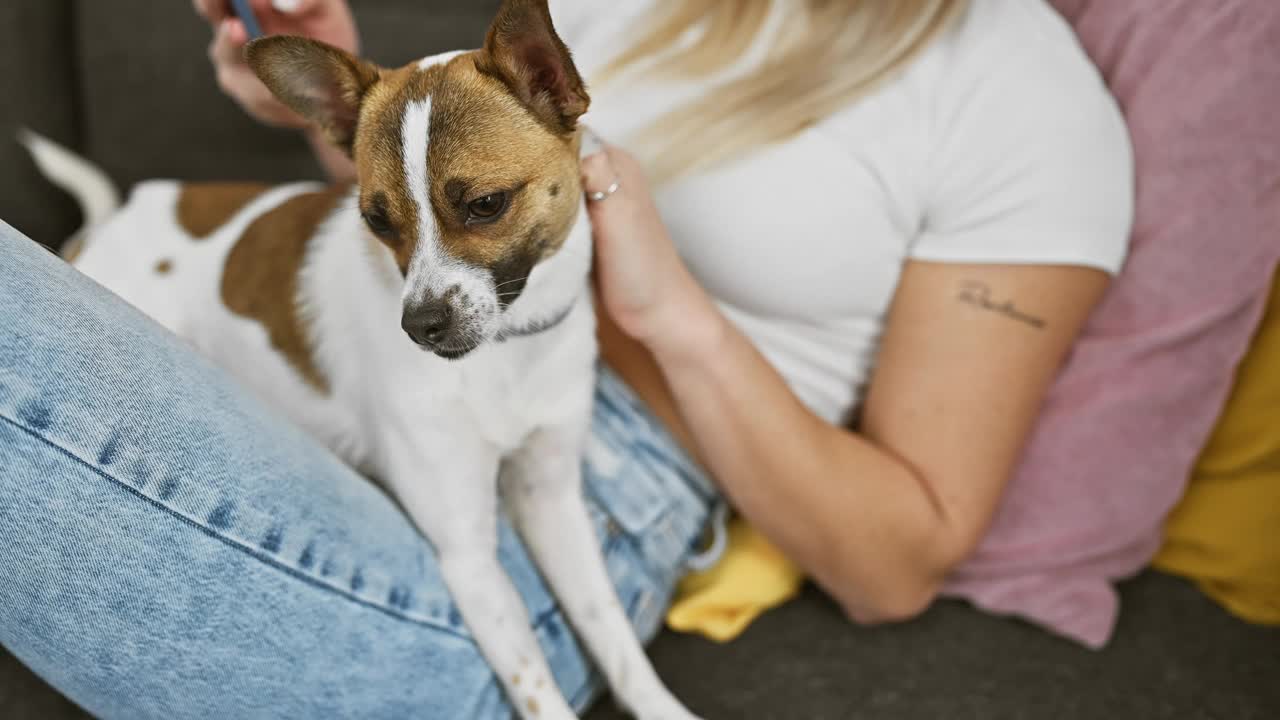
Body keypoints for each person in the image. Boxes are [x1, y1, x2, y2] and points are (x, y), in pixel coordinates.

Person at [0, 0, 1135, 715]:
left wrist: (664, 310)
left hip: (588, 511)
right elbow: (443, 205)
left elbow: (896, 565)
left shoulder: (1015, 87)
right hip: (375, 398)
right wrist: (357, 96)